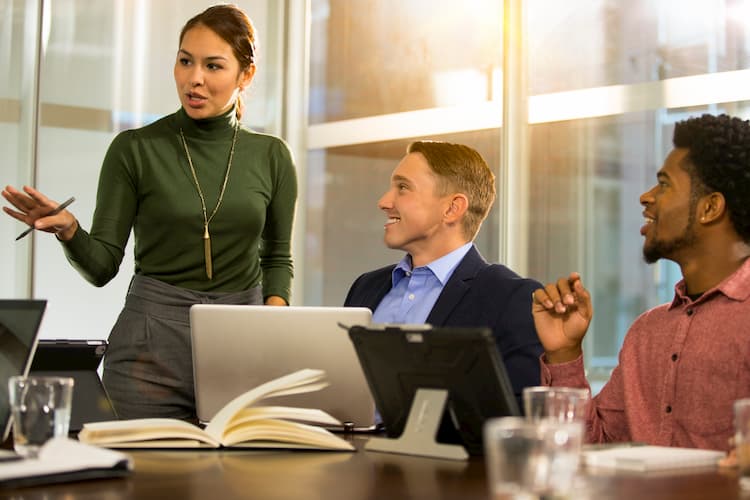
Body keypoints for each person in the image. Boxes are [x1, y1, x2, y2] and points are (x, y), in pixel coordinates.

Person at [2, 4, 297, 421]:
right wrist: (70, 231)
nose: (194, 78)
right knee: (142, 484)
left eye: (213, 66)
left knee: (237, 481)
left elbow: (277, 258)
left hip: (242, 346)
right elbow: (102, 266)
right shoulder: (135, 149)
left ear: (245, 75)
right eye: (185, 61)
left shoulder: (272, 156)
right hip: (148, 352)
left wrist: (272, 327)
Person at [531, 113, 750, 451]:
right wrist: (564, 354)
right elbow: (592, 447)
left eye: (664, 184)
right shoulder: (646, 332)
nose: (645, 197)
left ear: (710, 208)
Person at [344, 141, 544, 406]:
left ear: (452, 208)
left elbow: (520, 416)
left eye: (403, 188)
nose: (384, 201)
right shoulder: (366, 286)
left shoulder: (511, 298)